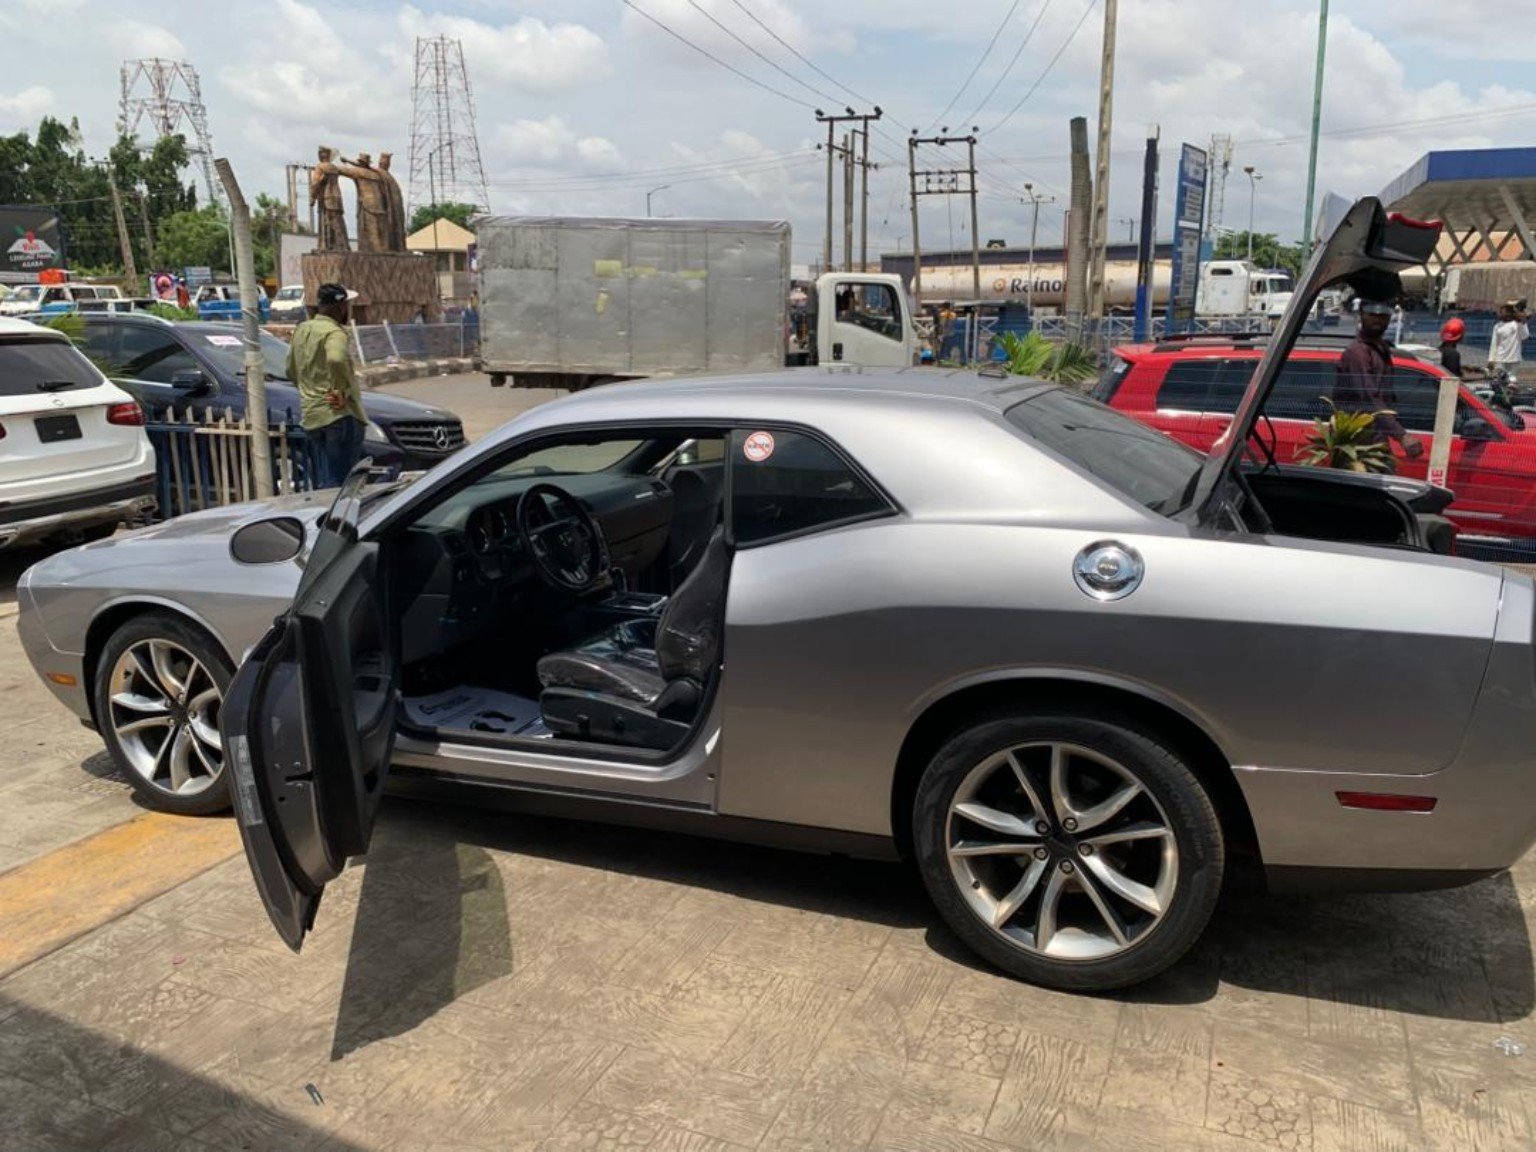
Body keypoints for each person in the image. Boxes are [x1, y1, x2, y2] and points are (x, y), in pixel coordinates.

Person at [285, 282, 367, 487]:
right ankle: (336, 519)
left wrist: (309, 391)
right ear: (340, 306)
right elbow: (336, 359)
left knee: (324, 476)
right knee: (343, 483)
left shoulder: (302, 330)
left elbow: (290, 369)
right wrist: (341, 391)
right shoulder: (334, 332)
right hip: (339, 415)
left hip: (312, 416)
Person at [1334, 297, 1422, 463]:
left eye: (1383, 316)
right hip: (1358, 444)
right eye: (1372, 314)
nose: (1378, 319)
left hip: (1375, 437)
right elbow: (1369, 397)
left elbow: (1385, 396)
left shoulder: (1381, 348)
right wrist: (1402, 436)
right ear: (1361, 315)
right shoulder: (1357, 352)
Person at [1489, 300, 1530, 380]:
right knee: (1499, 380)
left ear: (1509, 313)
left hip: (1514, 359)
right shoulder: (1497, 326)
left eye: (1502, 312)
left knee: (1512, 379)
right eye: (1500, 312)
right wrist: (1491, 359)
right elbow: (1494, 344)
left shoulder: (1517, 324)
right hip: (1500, 359)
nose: (1499, 314)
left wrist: (1523, 323)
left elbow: (1525, 336)